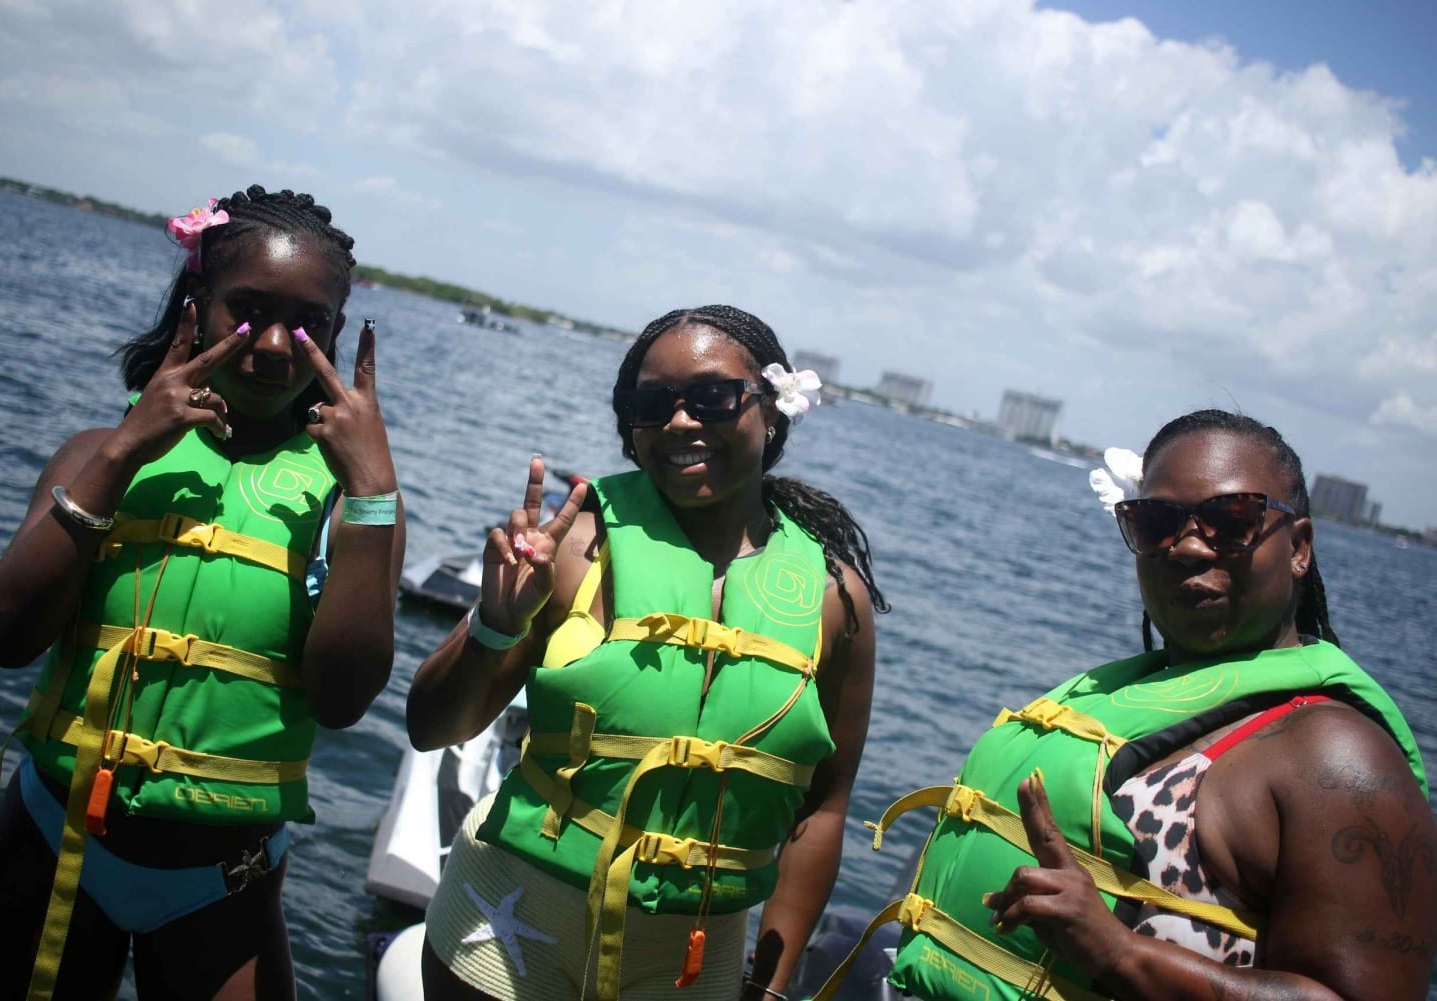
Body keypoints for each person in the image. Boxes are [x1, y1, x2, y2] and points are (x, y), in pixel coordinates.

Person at [818, 409, 1434, 1001]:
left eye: (1232, 520)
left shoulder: (1335, 757)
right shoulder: (1128, 692)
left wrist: (1119, 952)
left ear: (1298, 547)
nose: (1188, 547)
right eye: (1157, 522)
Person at [0, 185, 403, 1000]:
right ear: (197, 302)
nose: (275, 344)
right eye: (249, 310)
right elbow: (5, 633)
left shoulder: (353, 502)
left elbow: (344, 701)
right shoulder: (96, 452)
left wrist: (375, 495)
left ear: (337, 334)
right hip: (53, 841)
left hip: (223, 880)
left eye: (307, 321)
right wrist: (122, 454)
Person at [407, 305, 887, 1001]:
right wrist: (494, 625)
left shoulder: (835, 599)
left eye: (713, 397)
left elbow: (822, 811)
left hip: (692, 964)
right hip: (508, 926)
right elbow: (431, 728)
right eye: (652, 404)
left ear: (772, 408)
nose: (681, 421)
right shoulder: (575, 548)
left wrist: (772, 987)